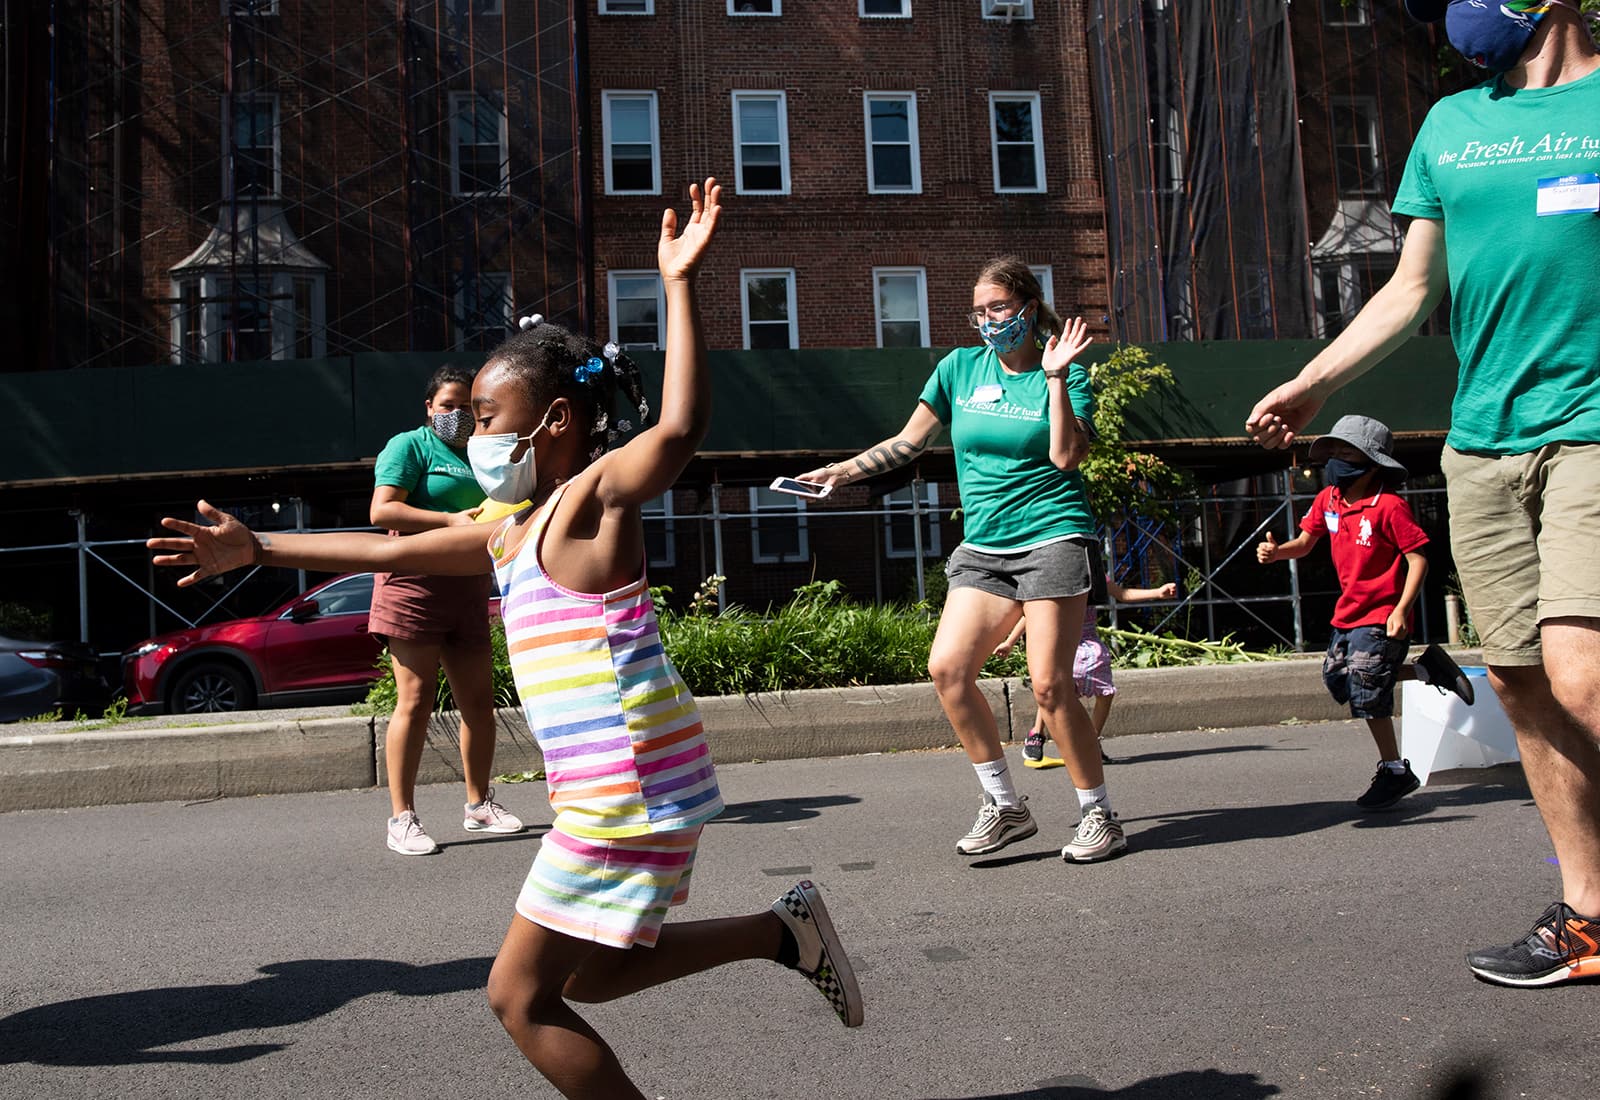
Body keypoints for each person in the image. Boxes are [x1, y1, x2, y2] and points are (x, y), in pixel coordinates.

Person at [150, 180, 864, 1097]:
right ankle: (782, 931)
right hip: (617, 781)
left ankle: (782, 934)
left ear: (554, 422)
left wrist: (679, 284)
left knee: (519, 999)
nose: (472, 433)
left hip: (627, 782)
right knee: (595, 974)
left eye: (487, 418)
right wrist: (262, 545)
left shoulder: (590, 500)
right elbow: (394, 546)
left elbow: (681, 428)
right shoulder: (510, 525)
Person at [1247, 0, 1600, 986]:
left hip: (1593, 428)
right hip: (1482, 442)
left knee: (1581, 676)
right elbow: (1409, 289)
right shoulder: (1450, 125)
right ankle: (1588, 915)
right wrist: (1315, 382)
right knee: (1522, 679)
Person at [793, 258, 1125, 863]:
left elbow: (1065, 456)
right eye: (979, 311)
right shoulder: (959, 369)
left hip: (1053, 537)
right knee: (948, 669)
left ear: (1028, 305)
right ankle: (1006, 806)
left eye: (998, 308)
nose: (988, 321)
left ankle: (1098, 813)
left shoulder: (1065, 369)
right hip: (985, 547)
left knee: (1050, 686)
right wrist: (840, 472)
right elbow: (907, 442)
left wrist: (1053, 378)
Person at [1254, 416, 1474, 809]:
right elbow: (1305, 543)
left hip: (1381, 612)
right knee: (1338, 679)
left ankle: (1394, 770)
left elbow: (1418, 559)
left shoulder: (1389, 507)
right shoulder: (1329, 500)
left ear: (1372, 463)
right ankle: (1428, 670)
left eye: (1347, 453)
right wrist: (1277, 552)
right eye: (1334, 452)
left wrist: (1402, 609)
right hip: (1348, 612)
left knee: (1368, 692)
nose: (1337, 460)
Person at [369, 364, 522, 856]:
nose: (458, 415)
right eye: (448, 405)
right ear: (429, 408)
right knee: (414, 702)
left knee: (479, 703)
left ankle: (479, 805)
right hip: (413, 586)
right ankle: (402, 818)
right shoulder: (409, 446)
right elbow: (383, 510)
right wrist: (448, 520)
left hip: (469, 586)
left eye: (468, 408)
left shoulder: (483, 453)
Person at [994, 579, 1178, 769]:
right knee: (1051, 686)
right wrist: (1010, 642)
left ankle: (1091, 740)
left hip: (1089, 642)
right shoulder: (1056, 576)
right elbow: (1030, 614)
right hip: (1059, 639)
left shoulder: (1095, 575)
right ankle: (1036, 734)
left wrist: (1158, 592)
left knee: (1106, 691)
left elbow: (1123, 594)